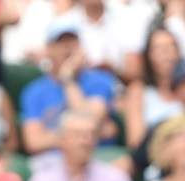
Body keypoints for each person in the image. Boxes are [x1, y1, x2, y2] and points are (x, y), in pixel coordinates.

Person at [19, 17, 119, 170]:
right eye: (60, 43)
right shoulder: (35, 91)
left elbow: (90, 121)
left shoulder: (99, 80)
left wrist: (68, 79)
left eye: (72, 42)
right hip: (52, 161)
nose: (67, 48)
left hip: (96, 158)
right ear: (48, 50)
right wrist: (88, 135)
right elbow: (33, 142)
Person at [123, 27, 184, 151]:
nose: (167, 54)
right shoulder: (138, 91)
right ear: (148, 55)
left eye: (171, 47)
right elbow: (135, 141)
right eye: (159, 49)